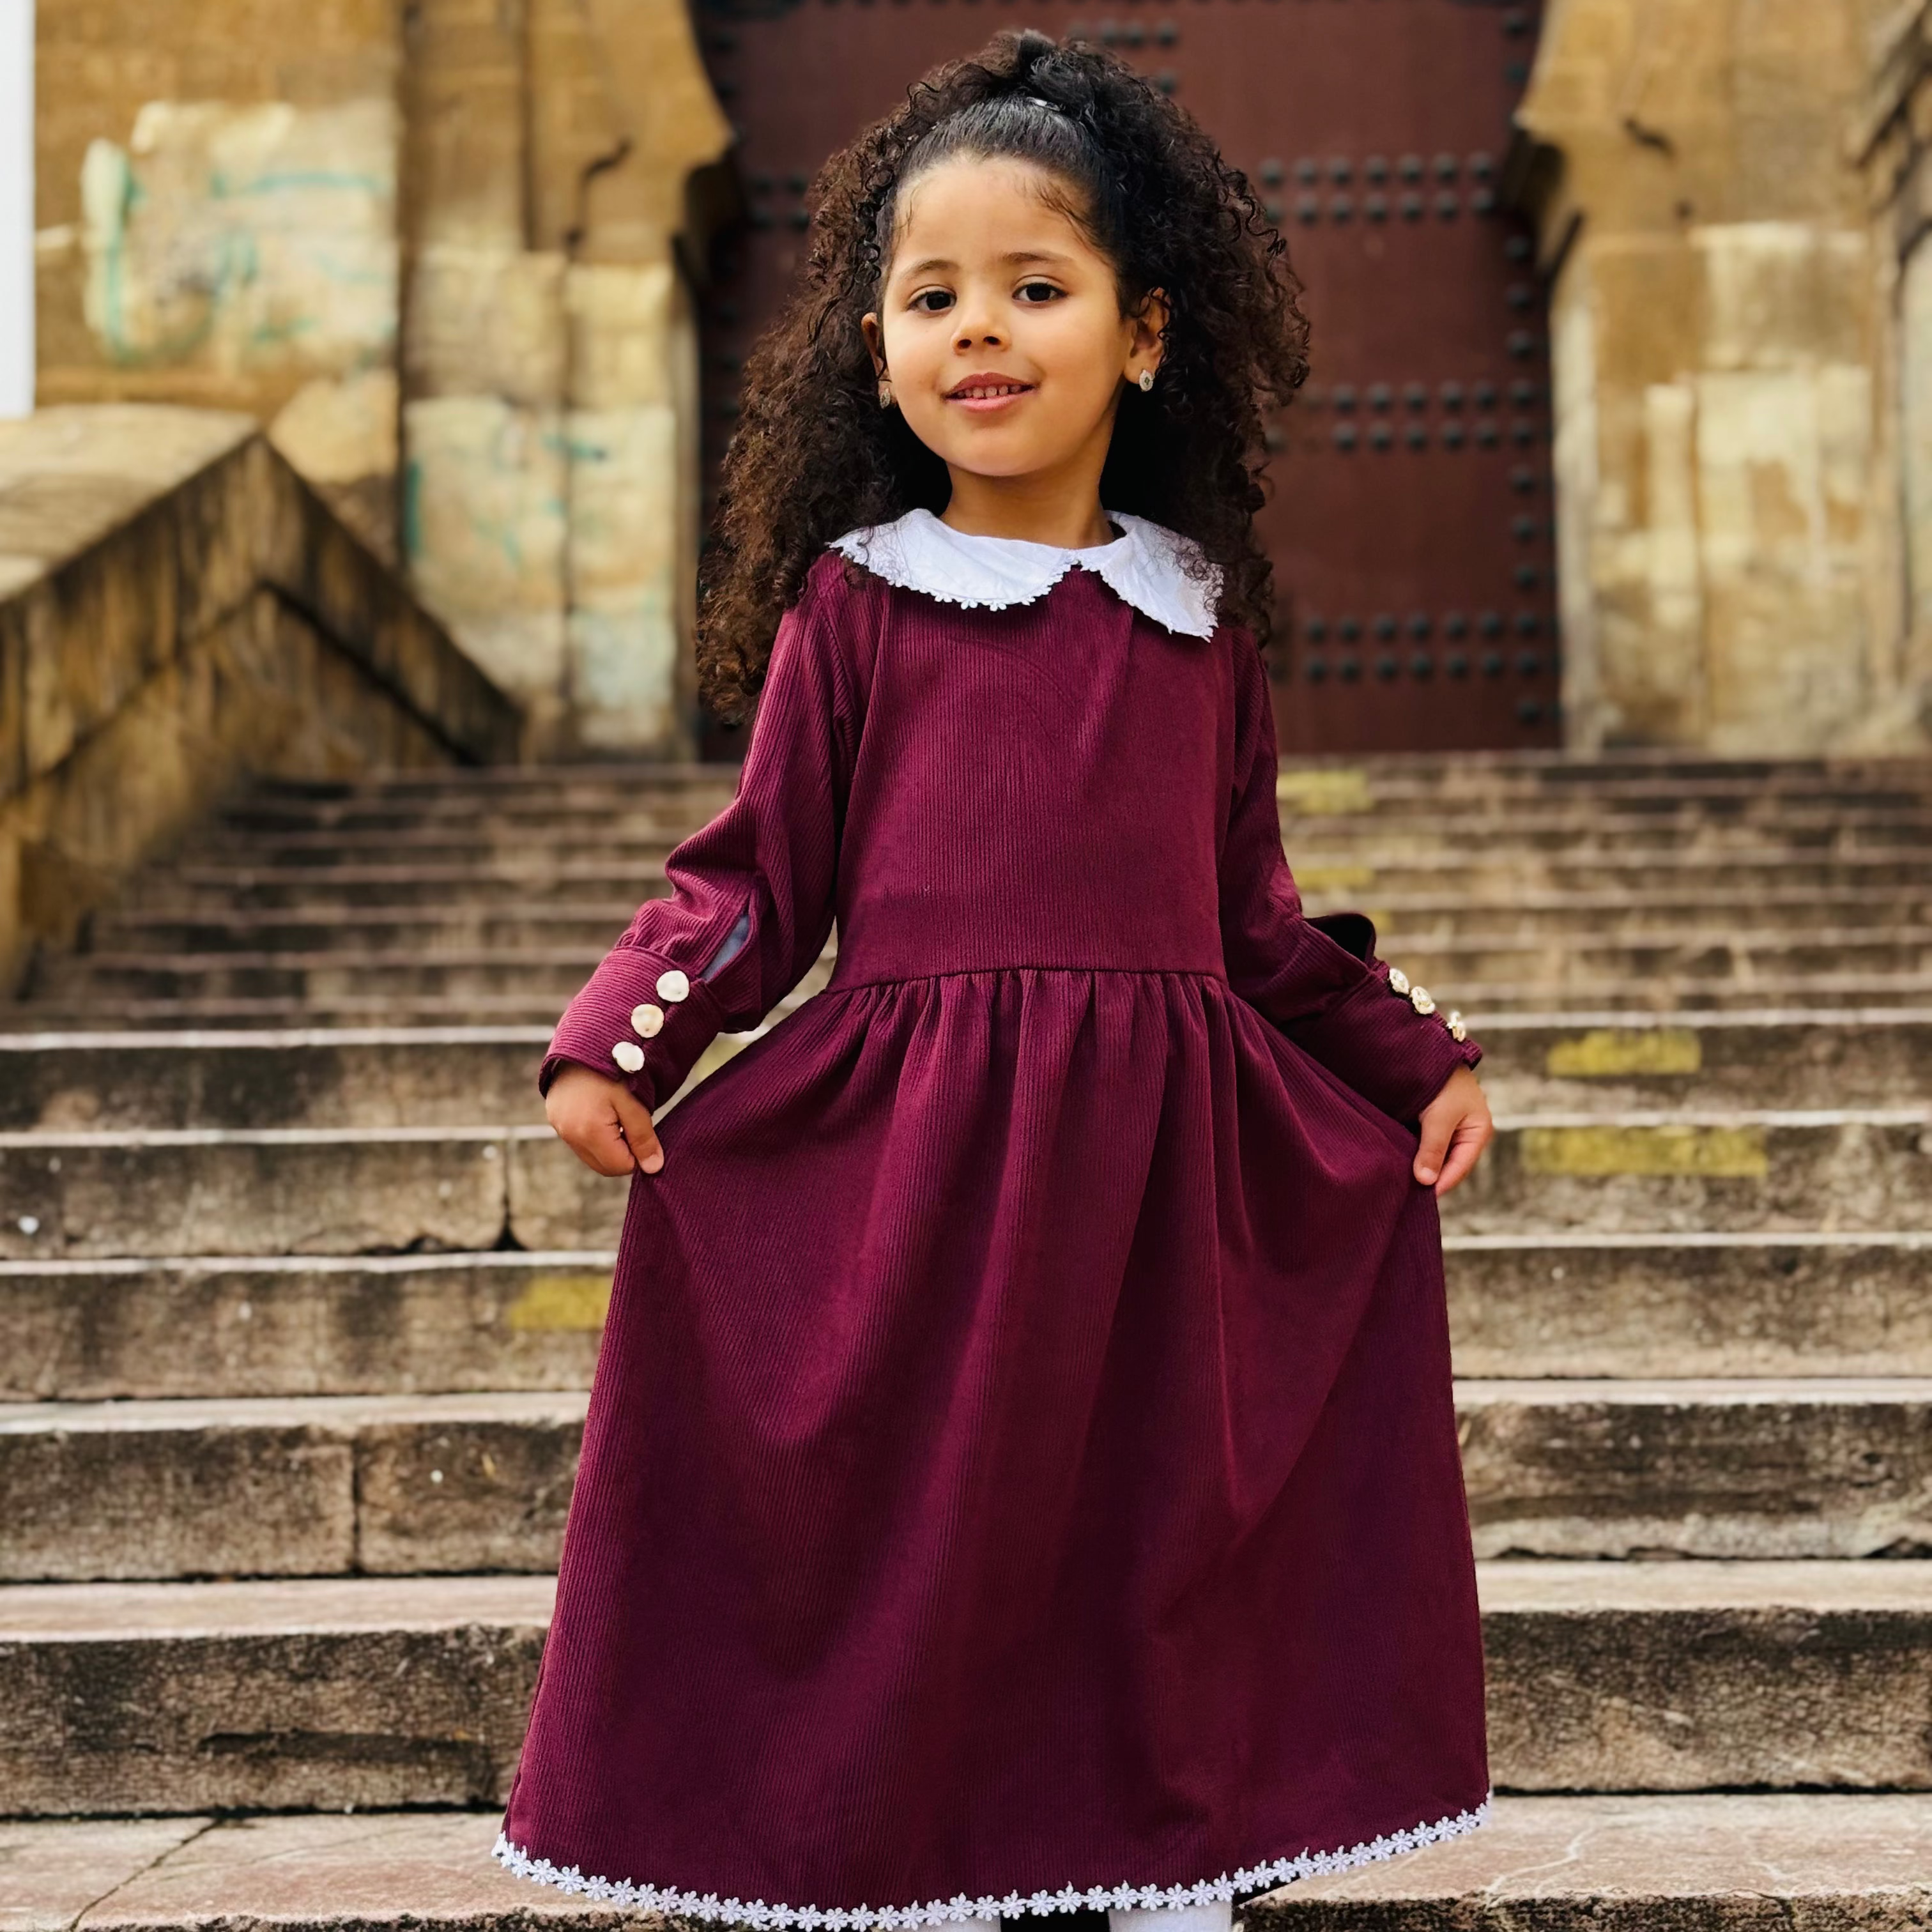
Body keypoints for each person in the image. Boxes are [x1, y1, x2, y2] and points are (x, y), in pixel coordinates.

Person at [493, 28, 1496, 1932]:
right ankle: (907, 1854)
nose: (981, 330)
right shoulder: (857, 604)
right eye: (931, 294)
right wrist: (616, 1039)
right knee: (937, 1530)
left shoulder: (1199, 624)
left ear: (1140, 334)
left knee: (1146, 1522)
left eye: (1036, 288)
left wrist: (1415, 1061)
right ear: (876, 346)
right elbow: (761, 879)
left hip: (1160, 1174)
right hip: (927, 1166)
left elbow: (1261, 924)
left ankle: (1160, 1846)